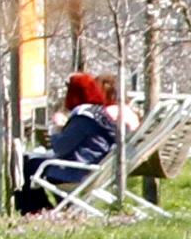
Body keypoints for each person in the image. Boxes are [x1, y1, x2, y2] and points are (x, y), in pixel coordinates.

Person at [22, 69, 125, 213]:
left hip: (79, 171)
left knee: (27, 163)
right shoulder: (100, 114)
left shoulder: (84, 118)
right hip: (94, 167)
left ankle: (35, 209)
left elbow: (61, 148)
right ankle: (54, 208)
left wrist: (56, 130)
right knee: (34, 162)